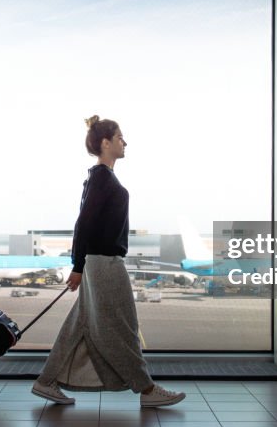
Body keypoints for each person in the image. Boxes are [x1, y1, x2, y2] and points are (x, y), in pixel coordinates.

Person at [32, 116, 185, 408]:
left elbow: (86, 223)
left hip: (100, 262)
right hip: (103, 263)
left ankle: (45, 381)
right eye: (119, 137)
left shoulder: (102, 177)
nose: (124, 142)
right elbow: (84, 224)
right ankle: (147, 389)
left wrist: (81, 265)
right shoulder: (102, 177)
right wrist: (77, 266)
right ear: (105, 143)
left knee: (80, 324)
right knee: (123, 325)